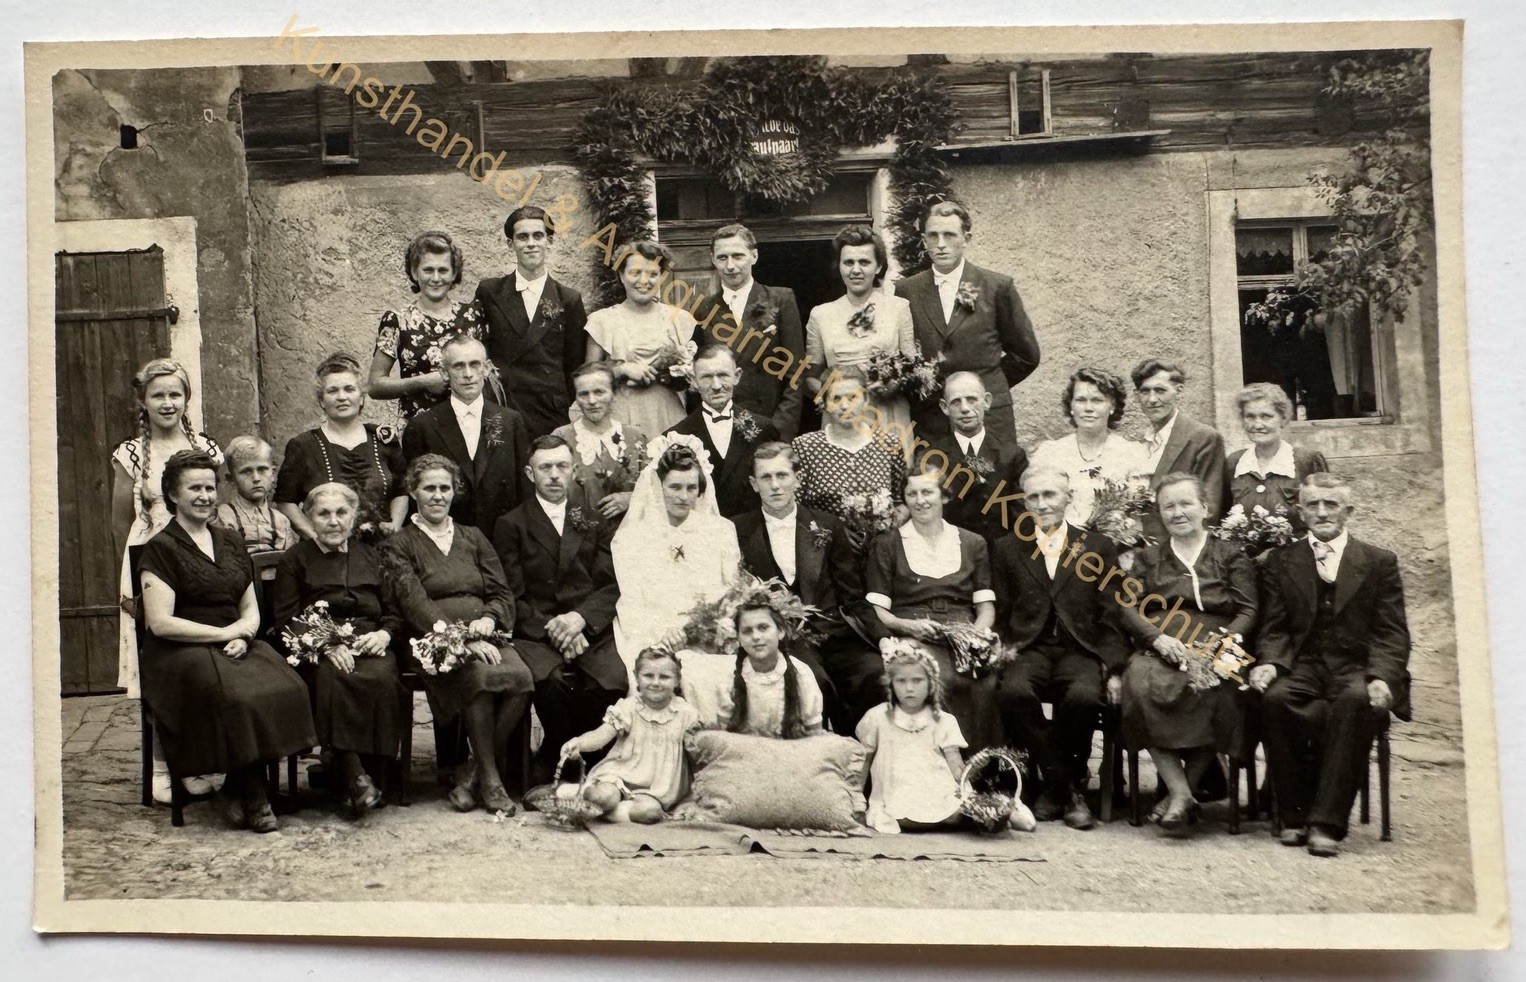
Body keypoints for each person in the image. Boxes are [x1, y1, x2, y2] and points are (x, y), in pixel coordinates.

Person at [136, 451, 316, 833]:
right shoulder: (161, 548)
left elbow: (250, 607)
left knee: (288, 684)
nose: (204, 496)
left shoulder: (231, 541)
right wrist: (223, 634)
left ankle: (237, 785)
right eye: (194, 488)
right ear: (173, 494)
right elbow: (160, 623)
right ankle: (255, 794)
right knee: (234, 695)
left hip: (234, 640)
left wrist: (246, 633)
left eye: (209, 487)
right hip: (179, 651)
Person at [1252, 473, 1411, 858]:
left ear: (1348, 510)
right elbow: (1274, 627)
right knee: (1275, 698)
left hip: (1357, 666)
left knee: (1356, 701)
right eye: (1313, 505)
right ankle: (1293, 815)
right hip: (1304, 665)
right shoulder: (1282, 560)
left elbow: (1392, 632)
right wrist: (1271, 663)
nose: (1322, 512)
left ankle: (1326, 823)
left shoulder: (1378, 561)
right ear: (1301, 512)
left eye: (1331, 504)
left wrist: (1381, 676)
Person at [382, 454, 535, 814]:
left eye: (444, 488)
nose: (438, 495)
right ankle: (492, 783)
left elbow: (501, 592)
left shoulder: (474, 537)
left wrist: (490, 620)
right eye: (429, 488)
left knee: (522, 679)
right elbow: (414, 603)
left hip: (485, 634)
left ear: (454, 492)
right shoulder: (399, 543)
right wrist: (462, 638)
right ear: (414, 492)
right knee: (480, 679)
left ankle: (471, 773)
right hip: (432, 639)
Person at [990, 467, 1132, 830]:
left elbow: (1112, 613)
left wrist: (1113, 667)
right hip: (1029, 648)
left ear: (1068, 498)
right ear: (1024, 502)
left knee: (1084, 697)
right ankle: (1068, 788)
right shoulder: (1007, 548)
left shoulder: (1097, 547)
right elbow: (1001, 612)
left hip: (1079, 648)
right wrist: (1003, 649)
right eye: (1033, 497)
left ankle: (1055, 786)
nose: (1042, 504)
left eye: (1050, 495)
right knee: (1013, 693)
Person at [1118, 473, 1258, 831]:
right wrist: (1155, 638)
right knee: (1139, 683)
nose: (1177, 512)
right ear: (1160, 514)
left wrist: (1227, 642)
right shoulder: (1149, 558)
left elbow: (1248, 608)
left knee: (1223, 690)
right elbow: (1128, 606)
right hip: (1164, 642)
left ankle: (1180, 793)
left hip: (1220, 641)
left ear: (1205, 508)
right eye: (1169, 506)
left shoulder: (1230, 554)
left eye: (1186, 503)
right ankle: (1181, 792)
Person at [493, 436, 628, 786]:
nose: (554, 474)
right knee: (552, 682)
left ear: (574, 470)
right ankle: (556, 752)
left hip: (588, 627)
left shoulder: (593, 519)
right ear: (530, 473)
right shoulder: (512, 524)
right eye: (545, 467)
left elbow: (612, 583)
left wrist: (580, 620)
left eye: (562, 466)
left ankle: (593, 759)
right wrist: (557, 631)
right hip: (538, 630)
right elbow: (511, 594)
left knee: (610, 678)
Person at [270, 482, 408, 817]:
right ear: (309, 518)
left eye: (341, 512)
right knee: (333, 676)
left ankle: (373, 774)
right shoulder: (295, 559)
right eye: (324, 514)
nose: (334, 521)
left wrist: (384, 635)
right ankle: (353, 775)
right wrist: (325, 644)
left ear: (353, 516)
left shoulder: (372, 555)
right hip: (318, 647)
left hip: (368, 641)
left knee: (382, 677)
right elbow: (286, 618)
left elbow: (394, 611)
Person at [732, 442, 883, 735]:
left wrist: (885, 638)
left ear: (797, 479)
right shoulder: (737, 530)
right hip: (782, 641)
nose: (775, 485)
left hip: (833, 635)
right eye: (766, 477)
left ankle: (858, 749)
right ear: (753, 483)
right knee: (813, 679)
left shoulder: (827, 525)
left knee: (873, 672)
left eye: (782, 475)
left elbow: (852, 595)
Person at [111, 359, 223, 707]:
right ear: (143, 401)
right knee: (157, 647)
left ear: (186, 399)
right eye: (158, 395)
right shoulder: (130, 454)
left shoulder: (206, 449)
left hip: (197, 556)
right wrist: (133, 577)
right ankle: (161, 729)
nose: (167, 403)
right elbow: (120, 522)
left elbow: (217, 512)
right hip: (150, 559)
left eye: (175, 394)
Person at [865, 468, 1001, 753]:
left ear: (945, 496)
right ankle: (940, 765)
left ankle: (979, 766)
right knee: (938, 678)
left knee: (985, 683)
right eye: (912, 494)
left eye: (927, 492)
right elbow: (878, 610)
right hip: (913, 631)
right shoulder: (887, 544)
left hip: (962, 631)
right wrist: (906, 626)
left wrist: (975, 635)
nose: (920, 500)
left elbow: (985, 606)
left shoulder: (972, 542)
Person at [894, 199, 1041, 447]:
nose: (941, 244)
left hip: (988, 415)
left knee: (991, 472)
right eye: (933, 236)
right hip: (932, 417)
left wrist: (984, 387)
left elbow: (1026, 355)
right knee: (937, 472)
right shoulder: (906, 290)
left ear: (966, 238)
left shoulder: (997, 287)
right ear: (924, 240)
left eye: (949, 235)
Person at [858, 641, 1034, 834]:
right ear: (891, 684)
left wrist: (974, 766)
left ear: (931, 684)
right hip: (897, 788)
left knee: (955, 811)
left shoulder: (943, 720)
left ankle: (1002, 809)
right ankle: (977, 817)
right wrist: (857, 798)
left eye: (917, 681)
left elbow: (958, 774)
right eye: (901, 681)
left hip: (935, 786)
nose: (909, 688)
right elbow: (864, 762)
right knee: (900, 816)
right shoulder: (878, 717)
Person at [475, 206, 590, 440]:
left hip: (549, 411)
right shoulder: (490, 292)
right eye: (522, 237)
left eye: (538, 236)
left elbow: (575, 364)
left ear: (549, 241)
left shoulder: (568, 299)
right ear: (511, 244)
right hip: (504, 406)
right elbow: (479, 347)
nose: (531, 243)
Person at [401, 335, 531, 536]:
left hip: (502, 538)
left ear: (486, 369)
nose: (468, 374)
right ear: (444, 373)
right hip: (448, 539)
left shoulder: (511, 421)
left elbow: (525, 490)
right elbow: (414, 497)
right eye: (458, 366)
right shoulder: (423, 426)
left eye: (475, 364)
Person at [560, 648, 702, 824]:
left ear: (677, 680)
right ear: (637, 677)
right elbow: (601, 735)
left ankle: (599, 810)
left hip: (656, 790)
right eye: (648, 676)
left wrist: (693, 797)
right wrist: (580, 743)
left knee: (650, 813)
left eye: (664, 677)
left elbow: (697, 756)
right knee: (603, 798)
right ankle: (585, 795)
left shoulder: (686, 714)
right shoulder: (629, 708)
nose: (656, 682)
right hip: (619, 775)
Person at [275, 353, 409, 541]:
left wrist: (394, 526)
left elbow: (401, 491)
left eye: (349, 389)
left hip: (382, 549)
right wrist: (316, 537)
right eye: (332, 391)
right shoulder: (303, 446)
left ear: (361, 398)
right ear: (322, 400)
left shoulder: (383, 440)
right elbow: (285, 502)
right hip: (328, 552)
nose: (342, 397)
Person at [804, 225, 916, 444]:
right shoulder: (821, 314)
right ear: (839, 266)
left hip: (888, 415)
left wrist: (890, 384)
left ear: (878, 266)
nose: (856, 270)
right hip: (842, 417)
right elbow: (809, 377)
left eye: (864, 262)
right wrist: (834, 396)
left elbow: (912, 366)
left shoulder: (898, 308)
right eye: (848, 262)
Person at [367, 230, 488, 426]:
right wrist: (423, 382)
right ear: (415, 272)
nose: (436, 278)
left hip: (467, 426)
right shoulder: (398, 320)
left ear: (454, 273)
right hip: (418, 428)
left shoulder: (473, 316)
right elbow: (374, 386)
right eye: (428, 270)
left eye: (443, 270)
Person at [698, 223, 805, 439]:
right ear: (713, 259)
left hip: (771, 424)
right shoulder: (703, 309)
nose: (730, 266)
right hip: (722, 427)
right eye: (722, 258)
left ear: (754, 256)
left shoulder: (780, 299)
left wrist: (780, 430)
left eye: (738, 256)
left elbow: (795, 372)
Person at [583, 240, 698, 439]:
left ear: (661, 276)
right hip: (622, 416)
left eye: (652, 274)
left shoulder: (680, 320)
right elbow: (587, 378)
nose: (644, 281)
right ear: (621, 276)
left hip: (669, 415)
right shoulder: (602, 321)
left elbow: (697, 377)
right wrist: (621, 369)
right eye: (635, 273)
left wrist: (683, 371)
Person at [666, 344, 780, 518]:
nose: (716, 385)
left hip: (753, 529)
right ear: (693, 380)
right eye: (706, 377)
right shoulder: (677, 436)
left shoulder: (764, 429)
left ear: (737, 376)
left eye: (723, 375)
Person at [1030, 367, 1151, 527]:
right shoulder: (1049, 453)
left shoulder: (1132, 453)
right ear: (1071, 406)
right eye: (1080, 400)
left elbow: (1138, 517)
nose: (1088, 408)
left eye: (1097, 400)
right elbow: (1036, 508)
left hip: (1114, 540)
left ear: (1112, 406)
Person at [920, 371, 1029, 542]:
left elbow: (1022, 519)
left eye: (971, 399)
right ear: (944, 407)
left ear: (986, 401)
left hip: (1000, 552)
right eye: (956, 402)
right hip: (953, 551)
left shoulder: (1012, 456)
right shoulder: (932, 458)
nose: (965, 408)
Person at [791, 365, 908, 520]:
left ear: (865, 400)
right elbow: (794, 506)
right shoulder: (806, 447)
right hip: (826, 534)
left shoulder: (889, 444)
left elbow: (900, 503)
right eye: (836, 398)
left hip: (878, 534)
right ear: (825, 403)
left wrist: (889, 523)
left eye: (852, 397)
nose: (845, 406)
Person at [1132, 359, 1226, 542]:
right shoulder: (1139, 443)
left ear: (1179, 391)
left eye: (1160, 390)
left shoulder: (1203, 438)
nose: (1152, 399)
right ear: (1137, 395)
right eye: (1145, 391)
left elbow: (1209, 510)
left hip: (1180, 547)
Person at [551, 361, 649, 528]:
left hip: (628, 532)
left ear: (614, 394)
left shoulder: (635, 438)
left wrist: (631, 498)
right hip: (574, 535)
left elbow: (654, 489)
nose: (592, 401)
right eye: (583, 394)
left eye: (599, 392)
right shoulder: (560, 438)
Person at [709, 601, 826, 737]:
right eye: (747, 631)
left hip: (791, 747)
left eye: (763, 627)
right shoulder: (731, 676)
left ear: (780, 631)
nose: (756, 637)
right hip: (744, 747)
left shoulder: (801, 674)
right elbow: (724, 735)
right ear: (739, 637)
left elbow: (814, 734)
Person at [1223, 381, 1329, 529]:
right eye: (1250, 416)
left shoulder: (1307, 461)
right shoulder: (1235, 462)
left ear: (1283, 419)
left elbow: (1327, 517)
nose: (1257, 424)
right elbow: (1224, 516)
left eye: (1266, 416)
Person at [216, 436, 297, 554]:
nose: (256, 478)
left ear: (273, 473)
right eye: (246, 471)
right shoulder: (225, 516)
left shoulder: (280, 520)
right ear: (232, 479)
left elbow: (290, 559)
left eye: (262, 469)